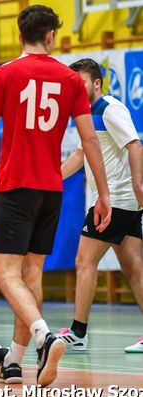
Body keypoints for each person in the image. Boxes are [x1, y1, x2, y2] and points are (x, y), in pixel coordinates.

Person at [0, 5, 111, 386]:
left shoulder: (4, 74)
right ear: (50, 36)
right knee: (32, 274)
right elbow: (89, 140)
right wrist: (103, 193)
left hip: (16, 186)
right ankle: (14, 361)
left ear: (20, 36)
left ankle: (44, 336)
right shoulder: (70, 79)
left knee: (5, 276)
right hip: (51, 188)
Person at [55, 58, 143, 354]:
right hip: (123, 203)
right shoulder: (87, 114)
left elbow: (135, 145)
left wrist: (138, 185)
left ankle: (78, 332)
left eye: (81, 83)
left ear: (96, 83)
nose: (76, 89)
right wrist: (51, 178)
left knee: (84, 260)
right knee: (134, 268)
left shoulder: (109, 108)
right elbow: (81, 155)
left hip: (114, 201)